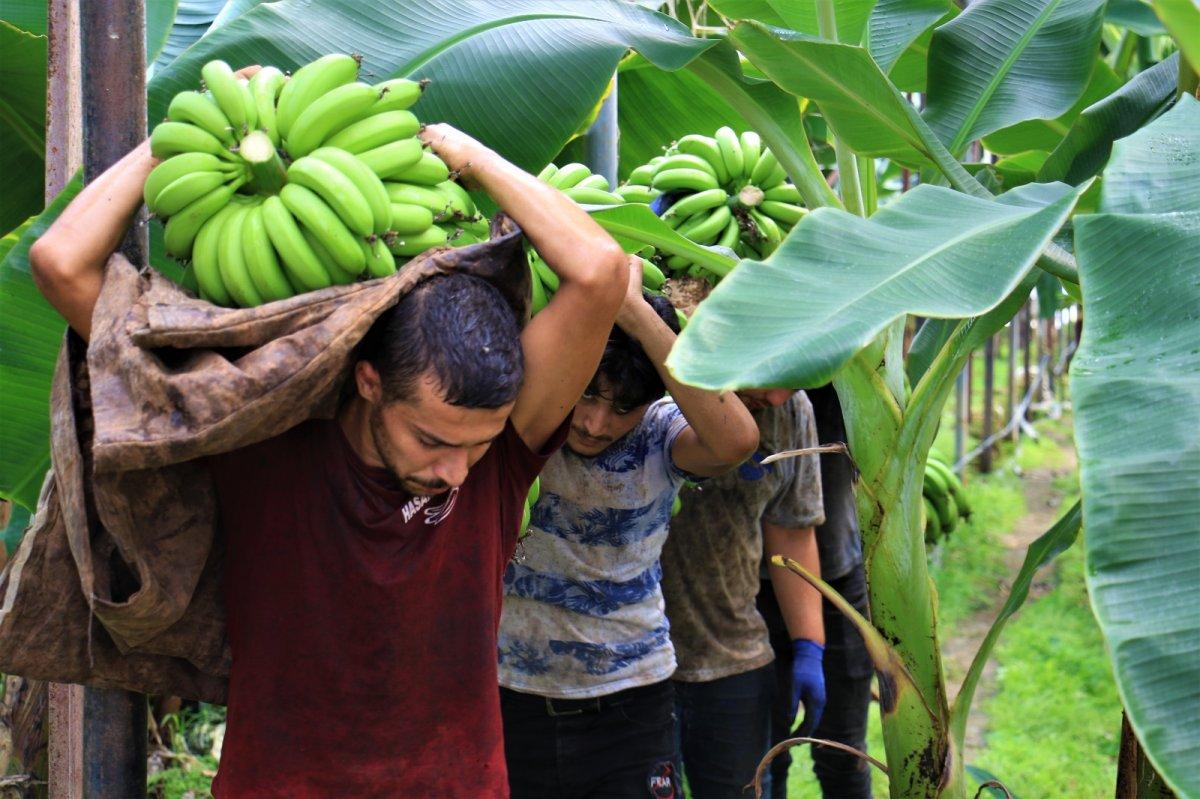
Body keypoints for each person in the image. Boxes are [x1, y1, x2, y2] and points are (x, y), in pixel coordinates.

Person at [29, 93, 629, 794]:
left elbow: (601, 271)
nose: (456, 471)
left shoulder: (500, 456)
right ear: (370, 382)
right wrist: (187, 140)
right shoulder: (252, 426)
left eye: (475, 445)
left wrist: (472, 156)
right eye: (433, 439)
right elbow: (61, 261)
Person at [495, 267, 760, 799]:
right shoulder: (524, 416)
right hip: (509, 699)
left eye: (621, 408)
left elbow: (736, 442)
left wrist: (636, 312)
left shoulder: (661, 433)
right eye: (588, 396)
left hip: (628, 704)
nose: (594, 423)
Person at [659, 386, 827, 798]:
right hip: (633, 663)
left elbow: (791, 528)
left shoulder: (790, 411)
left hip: (733, 660)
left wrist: (809, 646)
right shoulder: (645, 381)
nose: (774, 398)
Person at [758, 383, 873, 799]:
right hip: (750, 591)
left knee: (842, 752)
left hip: (838, 584)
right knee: (765, 760)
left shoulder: (844, 362)